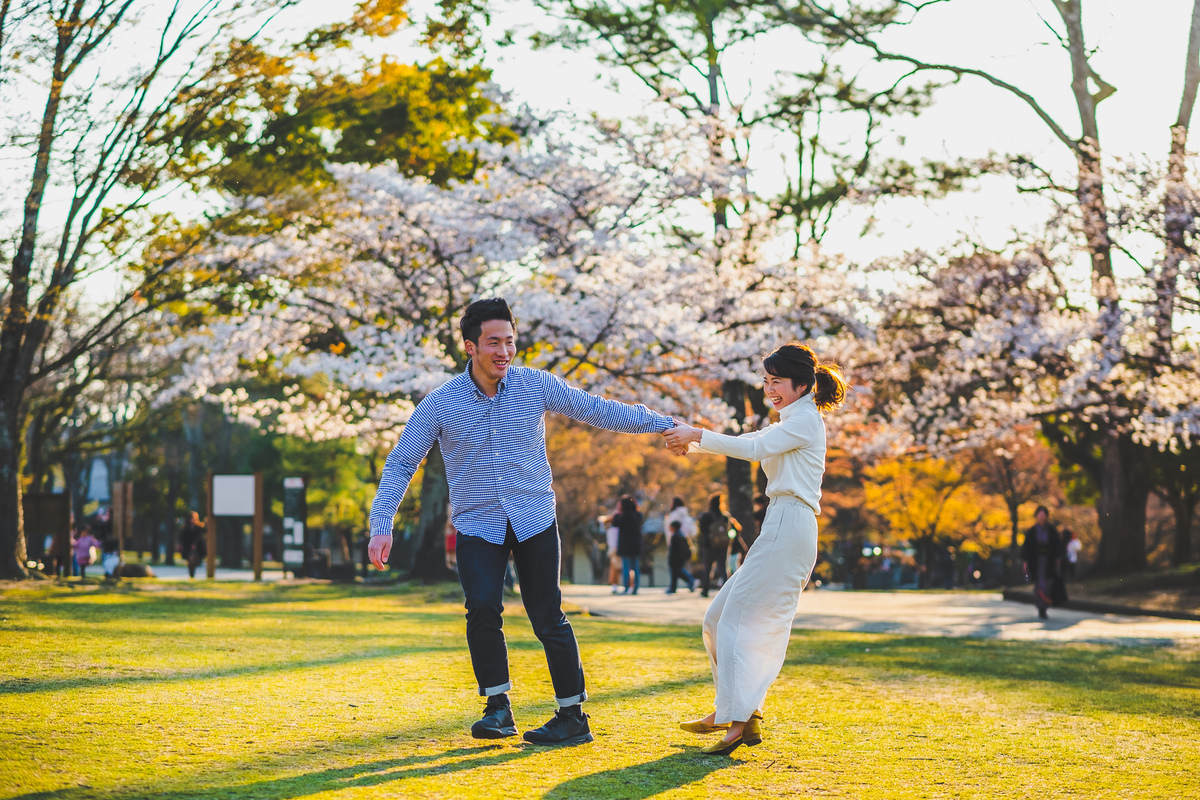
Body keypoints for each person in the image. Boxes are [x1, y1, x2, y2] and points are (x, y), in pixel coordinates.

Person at [367, 298, 676, 746]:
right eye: (493, 342)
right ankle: (497, 709)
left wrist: (664, 424)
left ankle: (572, 716)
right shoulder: (439, 404)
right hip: (478, 524)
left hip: (534, 518)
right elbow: (401, 462)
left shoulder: (536, 385)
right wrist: (382, 523)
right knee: (482, 609)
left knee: (548, 615)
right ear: (470, 347)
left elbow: (599, 409)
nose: (504, 351)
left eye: (510, 342)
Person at [663, 341, 847, 755]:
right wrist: (693, 442)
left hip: (790, 525)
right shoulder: (789, 419)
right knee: (715, 619)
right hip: (780, 525)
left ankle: (738, 720)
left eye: (777, 381)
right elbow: (750, 440)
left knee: (739, 622)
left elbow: (752, 449)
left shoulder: (804, 421)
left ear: (802, 384)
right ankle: (735, 710)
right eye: (766, 381)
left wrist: (697, 434)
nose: (770, 389)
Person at [1021, 505, 1064, 620]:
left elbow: (1057, 547)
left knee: (1048, 584)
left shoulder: (1051, 531)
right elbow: (1027, 549)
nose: (1041, 517)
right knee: (1039, 584)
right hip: (1036, 561)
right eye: (1039, 515)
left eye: (1043, 515)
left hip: (1048, 561)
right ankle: (1041, 607)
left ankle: (1045, 606)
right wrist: (1026, 562)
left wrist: (1057, 559)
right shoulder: (1032, 531)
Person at [697, 494, 735, 597]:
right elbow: (730, 529)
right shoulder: (725, 516)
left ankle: (705, 589)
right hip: (723, 545)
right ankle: (727, 591)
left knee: (708, 568)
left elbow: (702, 530)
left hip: (709, 545)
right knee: (723, 568)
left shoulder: (706, 516)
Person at [613, 495, 643, 595]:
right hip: (636, 544)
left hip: (625, 545)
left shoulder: (623, 516)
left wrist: (617, 512)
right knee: (635, 567)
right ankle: (636, 587)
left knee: (626, 567)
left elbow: (614, 522)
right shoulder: (638, 515)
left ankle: (626, 587)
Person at [666, 519, 695, 593]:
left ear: (674, 527)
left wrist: (670, 559)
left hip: (675, 559)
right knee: (678, 573)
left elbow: (673, 550)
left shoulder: (675, 536)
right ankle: (674, 587)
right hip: (681, 558)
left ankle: (689, 581)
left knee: (676, 573)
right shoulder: (681, 535)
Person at [179, 511, 206, 579]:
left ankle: (193, 571)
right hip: (188, 547)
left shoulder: (199, 528)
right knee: (190, 560)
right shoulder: (186, 528)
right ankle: (191, 573)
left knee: (194, 559)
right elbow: (183, 538)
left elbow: (203, 533)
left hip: (197, 547)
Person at [605, 512, 622, 593]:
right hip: (616, 549)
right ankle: (615, 585)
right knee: (617, 568)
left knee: (615, 568)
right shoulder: (614, 529)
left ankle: (614, 585)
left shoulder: (612, 530)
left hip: (614, 550)